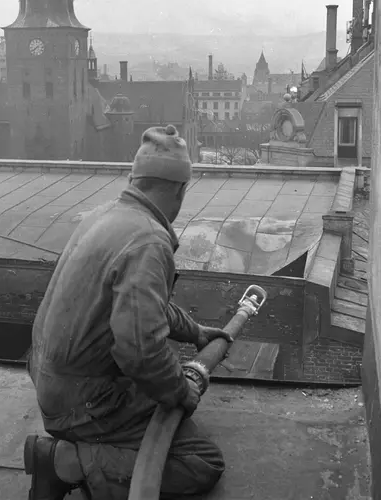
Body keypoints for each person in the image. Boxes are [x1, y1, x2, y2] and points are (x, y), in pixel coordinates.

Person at [26, 124, 231, 500]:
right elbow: (140, 351)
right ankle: (63, 462)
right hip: (82, 401)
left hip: (53, 381)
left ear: (136, 180)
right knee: (199, 461)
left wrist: (195, 332)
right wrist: (180, 392)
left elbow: (141, 310)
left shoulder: (106, 216)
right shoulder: (149, 240)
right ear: (180, 189)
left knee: (162, 403)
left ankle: (82, 450)